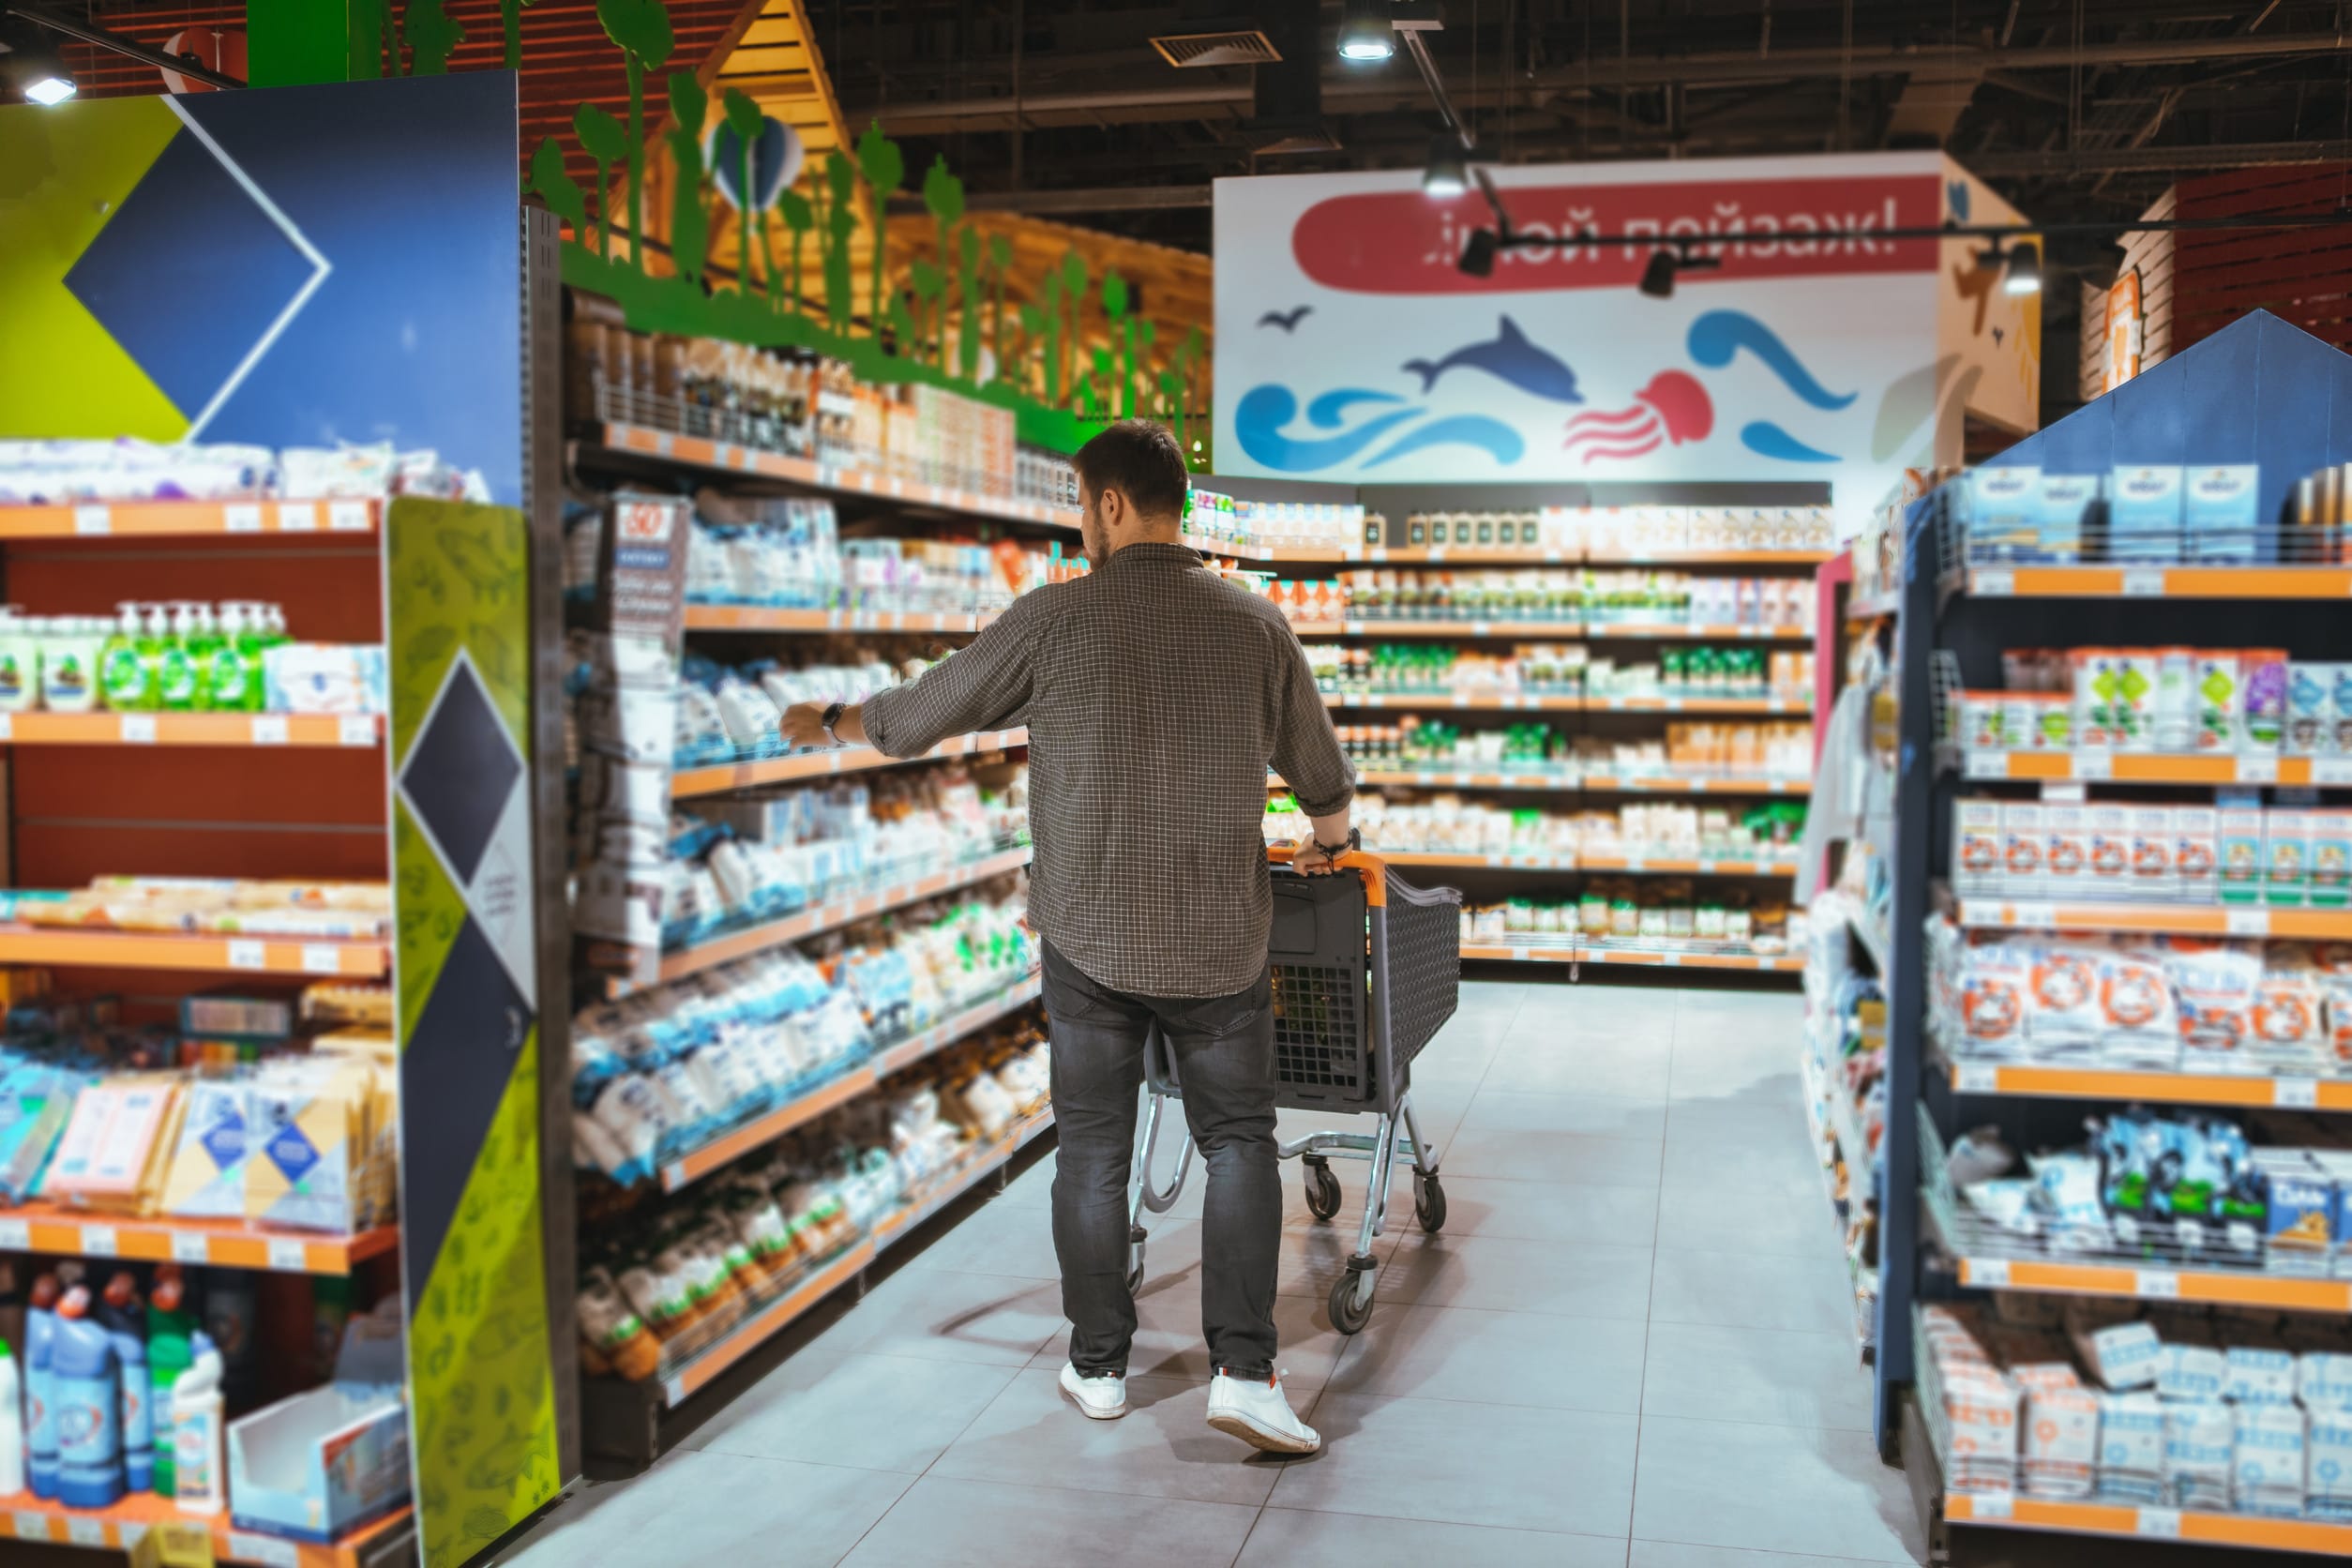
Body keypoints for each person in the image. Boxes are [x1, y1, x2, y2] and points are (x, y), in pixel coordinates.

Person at [780, 418, 1356, 1455]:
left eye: (1084, 505)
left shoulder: (1054, 619)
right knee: (1239, 1142)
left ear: (1111, 505)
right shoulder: (1255, 624)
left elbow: (917, 718)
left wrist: (829, 719)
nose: (1082, 523)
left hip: (1088, 935)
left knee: (1092, 1144)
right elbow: (1321, 776)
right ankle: (1245, 1370)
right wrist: (1333, 839)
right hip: (1218, 936)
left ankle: (1099, 1366)